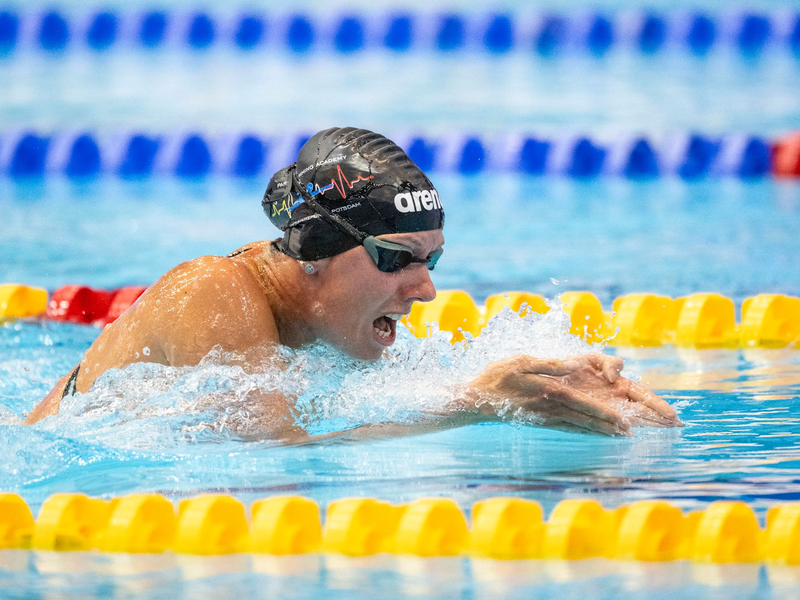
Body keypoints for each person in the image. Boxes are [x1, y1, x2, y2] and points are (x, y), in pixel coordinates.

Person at [25, 127, 682, 439]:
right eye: (397, 259)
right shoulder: (214, 293)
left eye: (432, 262)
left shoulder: (321, 320)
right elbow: (272, 470)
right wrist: (475, 404)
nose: (426, 290)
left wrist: (537, 381)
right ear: (313, 249)